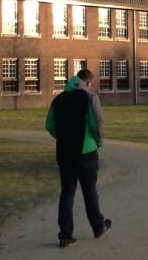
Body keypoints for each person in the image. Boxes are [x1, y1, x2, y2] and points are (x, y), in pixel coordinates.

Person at [45, 69, 112, 247]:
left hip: (64, 153)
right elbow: (97, 122)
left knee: (67, 192)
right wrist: (98, 141)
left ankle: (65, 235)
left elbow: (49, 125)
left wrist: (63, 138)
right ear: (88, 83)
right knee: (90, 191)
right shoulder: (89, 97)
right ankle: (98, 227)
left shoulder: (58, 99)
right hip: (86, 152)